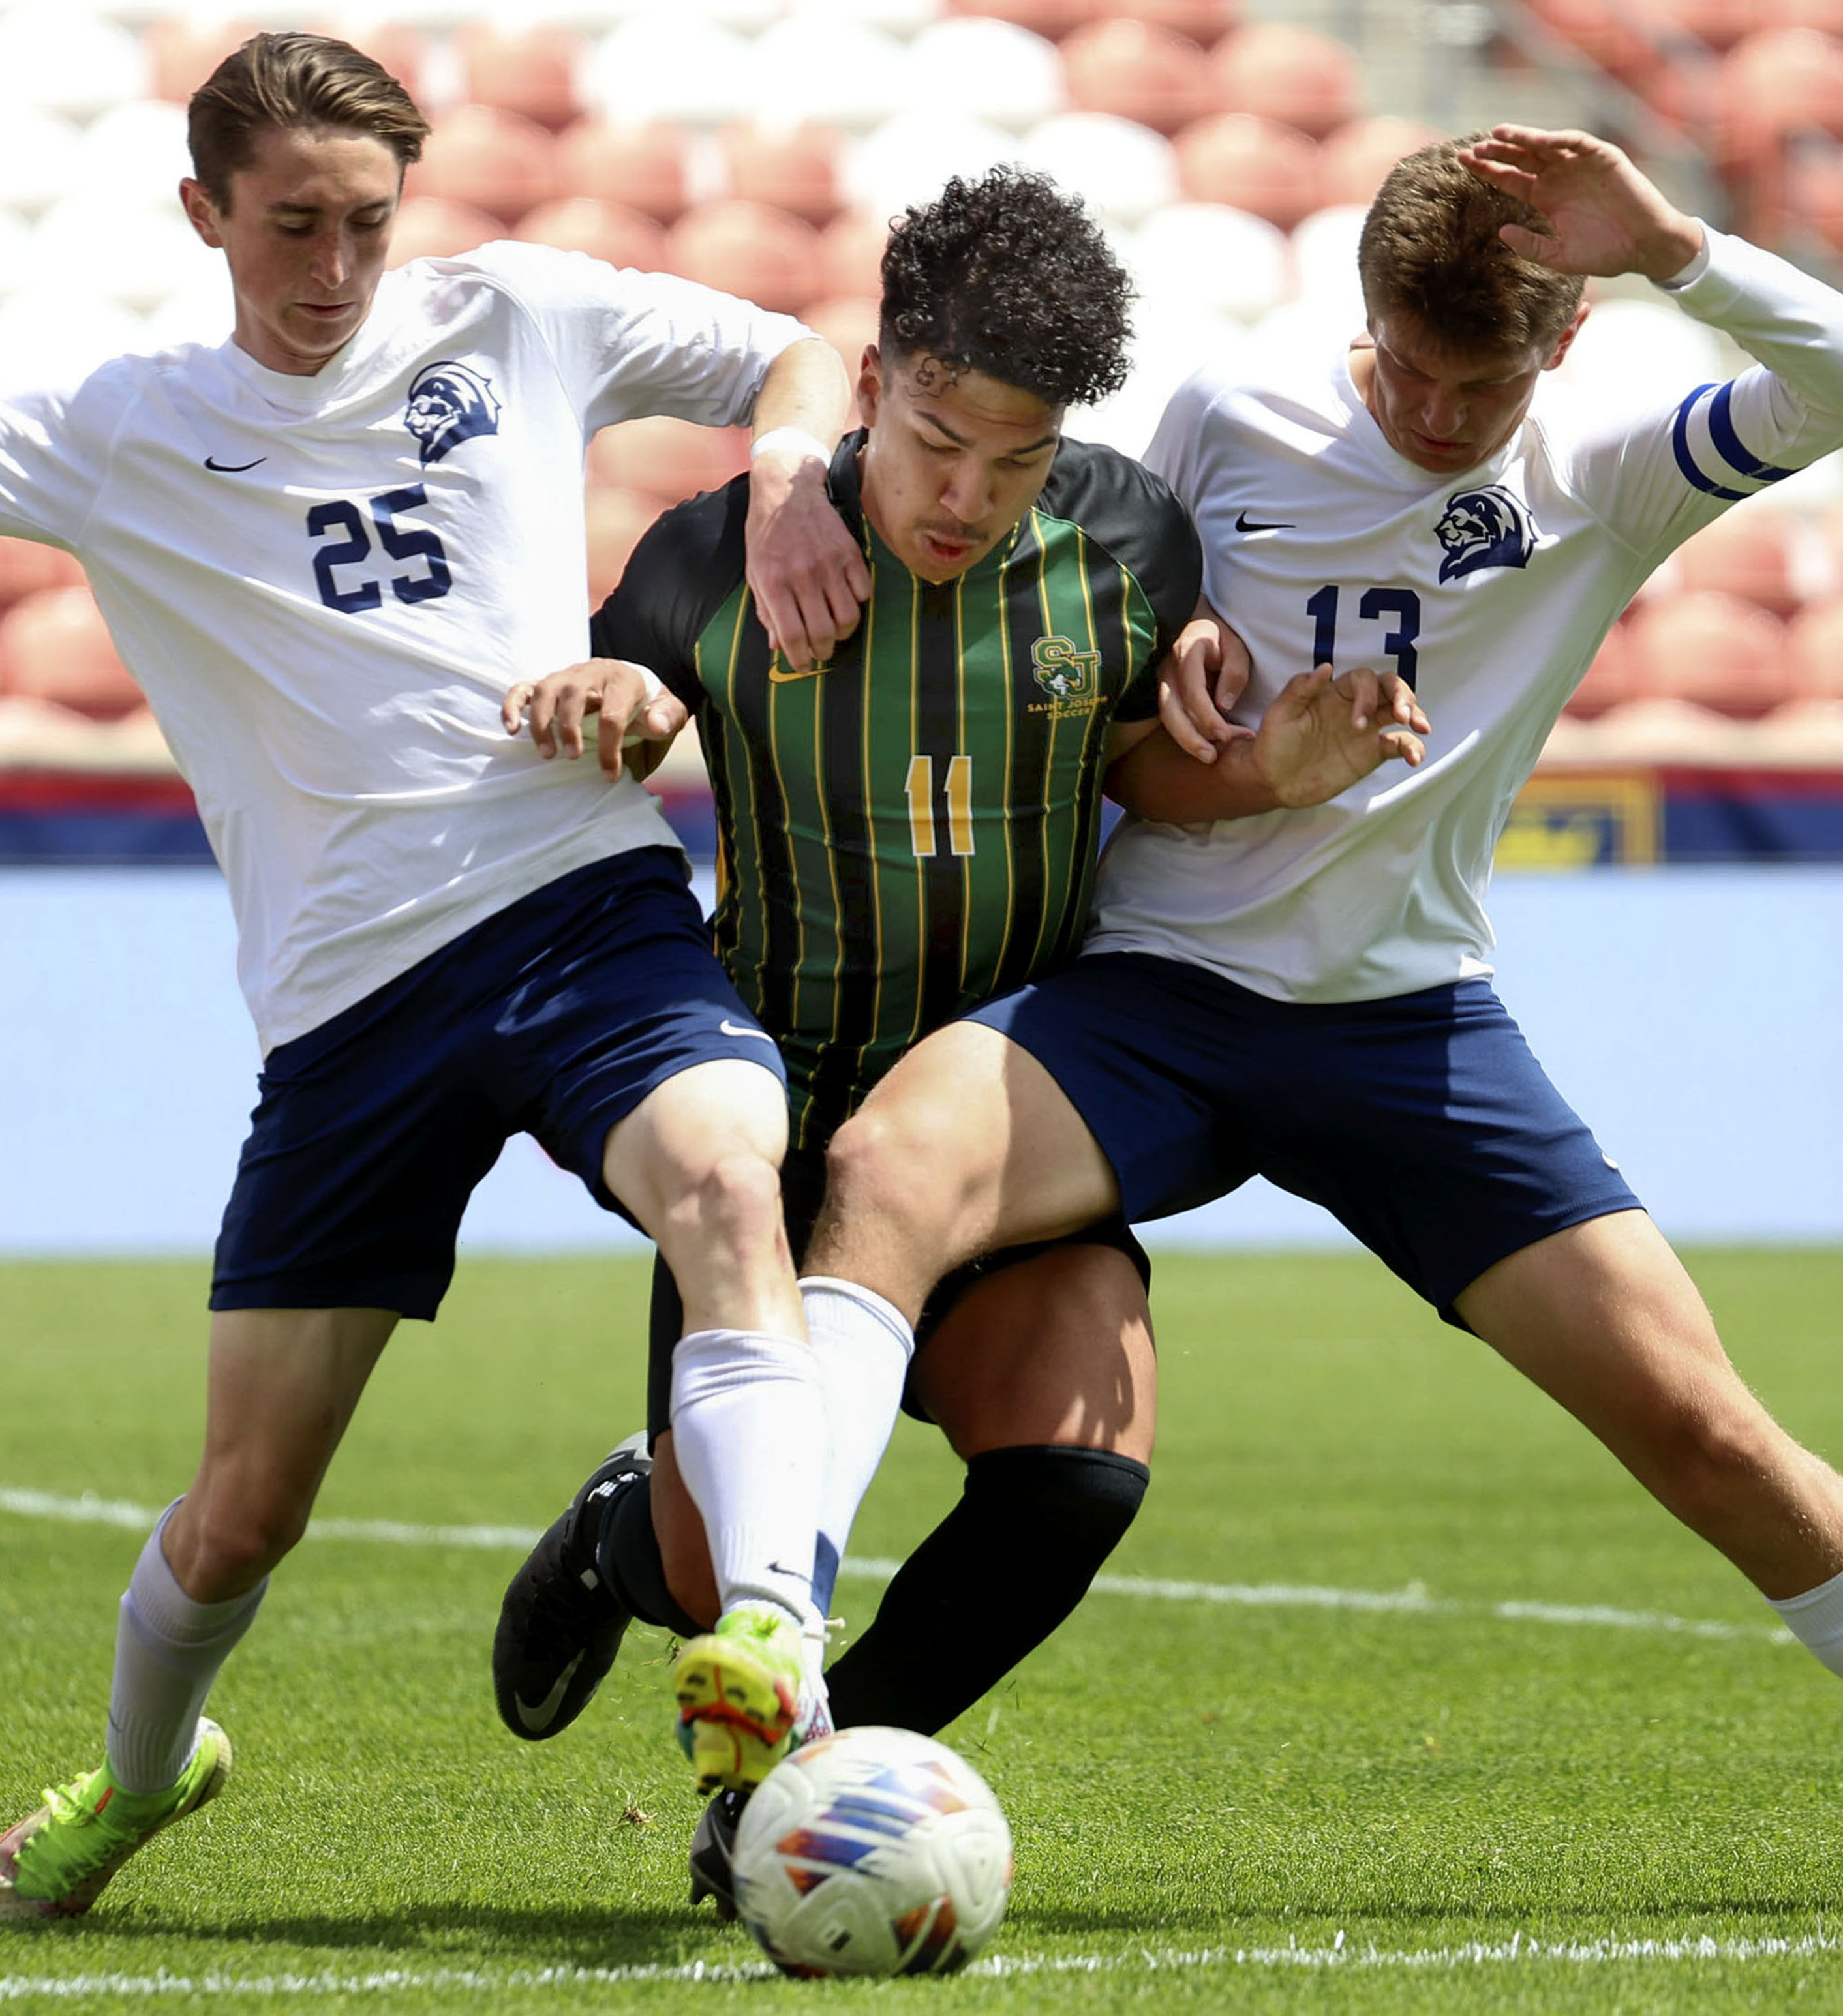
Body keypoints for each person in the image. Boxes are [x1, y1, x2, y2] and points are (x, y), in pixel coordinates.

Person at [790, 127, 1843, 1750]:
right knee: (889, 1174)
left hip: (1407, 1030)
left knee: (1706, 1432)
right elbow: (1098, 639)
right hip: (1153, 993)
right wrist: (1174, 642)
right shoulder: (1230, 417)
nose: (1439, 422)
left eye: (1481, 391)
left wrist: (1674, 248)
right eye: (1414, 376)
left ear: (1564, 340)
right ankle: (772, 1620)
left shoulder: (1600, 475)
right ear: (1367, 314)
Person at [0, 30, 873, 1925]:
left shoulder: (517, 313)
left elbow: (799, 352)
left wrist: (787, 464)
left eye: (371, 221)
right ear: (202, 213)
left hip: (577, 903)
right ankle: (143, 1777)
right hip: (346, 1013)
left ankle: (775, 1636)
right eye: (292, 224)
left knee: (726, 1172)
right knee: (240, 1521)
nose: (338, 267)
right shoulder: (118, 431)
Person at [486, 167, 1425, 1904]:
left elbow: (1138, 764)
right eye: (934, 443)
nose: (967, 497)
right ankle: (633, 1531)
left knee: (1078, 1477)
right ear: (872, 379)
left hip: (1009, 1110)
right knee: (717, 1574)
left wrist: (1269, 772)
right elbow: (630, 711)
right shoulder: (721, 547)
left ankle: (793, 1788)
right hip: (768, 1141)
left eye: (1012, 460)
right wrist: (612, 701)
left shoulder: (1132, 541)